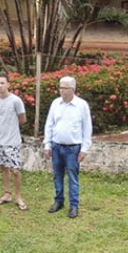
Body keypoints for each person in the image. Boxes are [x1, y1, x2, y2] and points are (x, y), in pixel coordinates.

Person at [43, 76, 93, 219]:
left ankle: (74, 205)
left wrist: (84, 149)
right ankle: (59, 201)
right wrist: (48, 144)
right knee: (57, 176)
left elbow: (86, 128)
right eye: (60, 87)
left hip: (73, 148)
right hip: (57, 146)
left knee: (73, 177)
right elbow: (49, 124)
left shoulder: (81, 105)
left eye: (64, 88)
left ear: (72, 89)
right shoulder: (55, 104)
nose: (61, 91)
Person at [0, 73, 28, 211]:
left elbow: (23, 120)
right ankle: (7, 194)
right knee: (3, 167)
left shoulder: (16, 101)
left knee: (16, 170)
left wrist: (11, 128)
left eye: (2, 83)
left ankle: (18, 197)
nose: (0, 86)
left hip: (13, 141)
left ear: (8, 84)